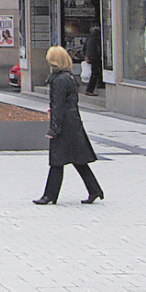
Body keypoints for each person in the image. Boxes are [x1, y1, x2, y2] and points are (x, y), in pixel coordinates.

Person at [34, 46, 104, 205]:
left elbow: (58, 106)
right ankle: (94, 190)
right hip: (72, 122)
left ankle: (50, 195)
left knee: (57, 160)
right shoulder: (69, 77)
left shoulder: (59, 80)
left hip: (64, 125)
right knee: (78, 159)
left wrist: (53, 129)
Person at [84, 24, 104, 95]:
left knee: (95, 72)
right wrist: (101, 55)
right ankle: (90, 89)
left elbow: (85, 46)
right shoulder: (98, 35)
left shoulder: (90, 35)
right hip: (95, 56)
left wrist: (86, 56)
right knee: (95, 72)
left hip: (91, 56)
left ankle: (99, 84)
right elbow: (98, 47)